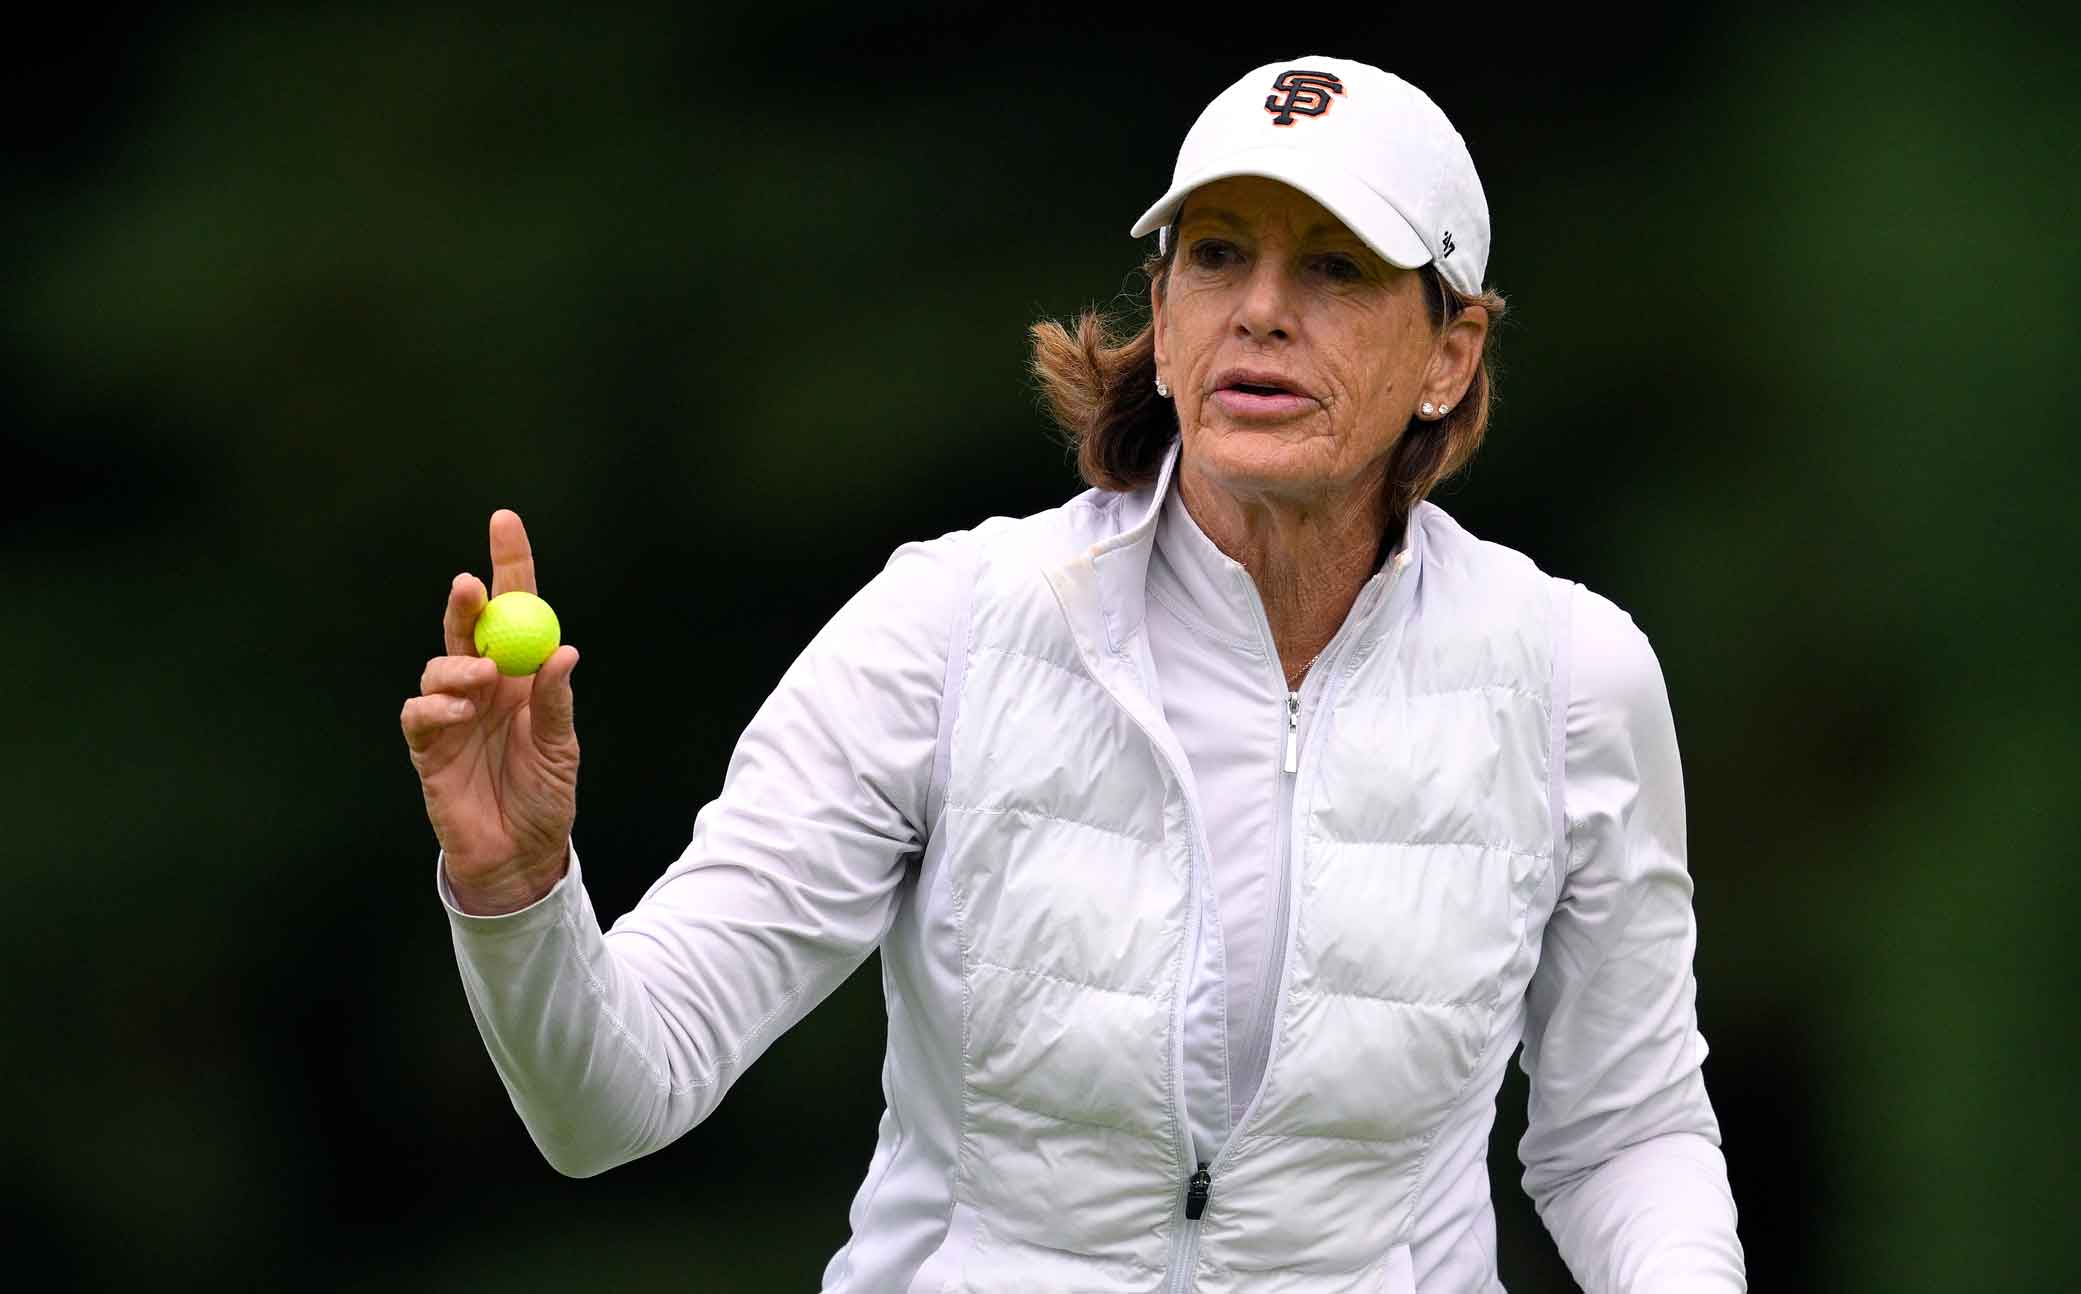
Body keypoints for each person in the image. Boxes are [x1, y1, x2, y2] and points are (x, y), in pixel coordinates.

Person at [400, 55, 1745, 1294]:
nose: (1263, 312)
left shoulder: (1571, 677)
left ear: (1450, 354)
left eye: (1336, 268)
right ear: (1162, 323)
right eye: (1217, 256)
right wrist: (517, 891)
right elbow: (614, 1095)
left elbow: (1622, 1133)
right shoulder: (949, 627)